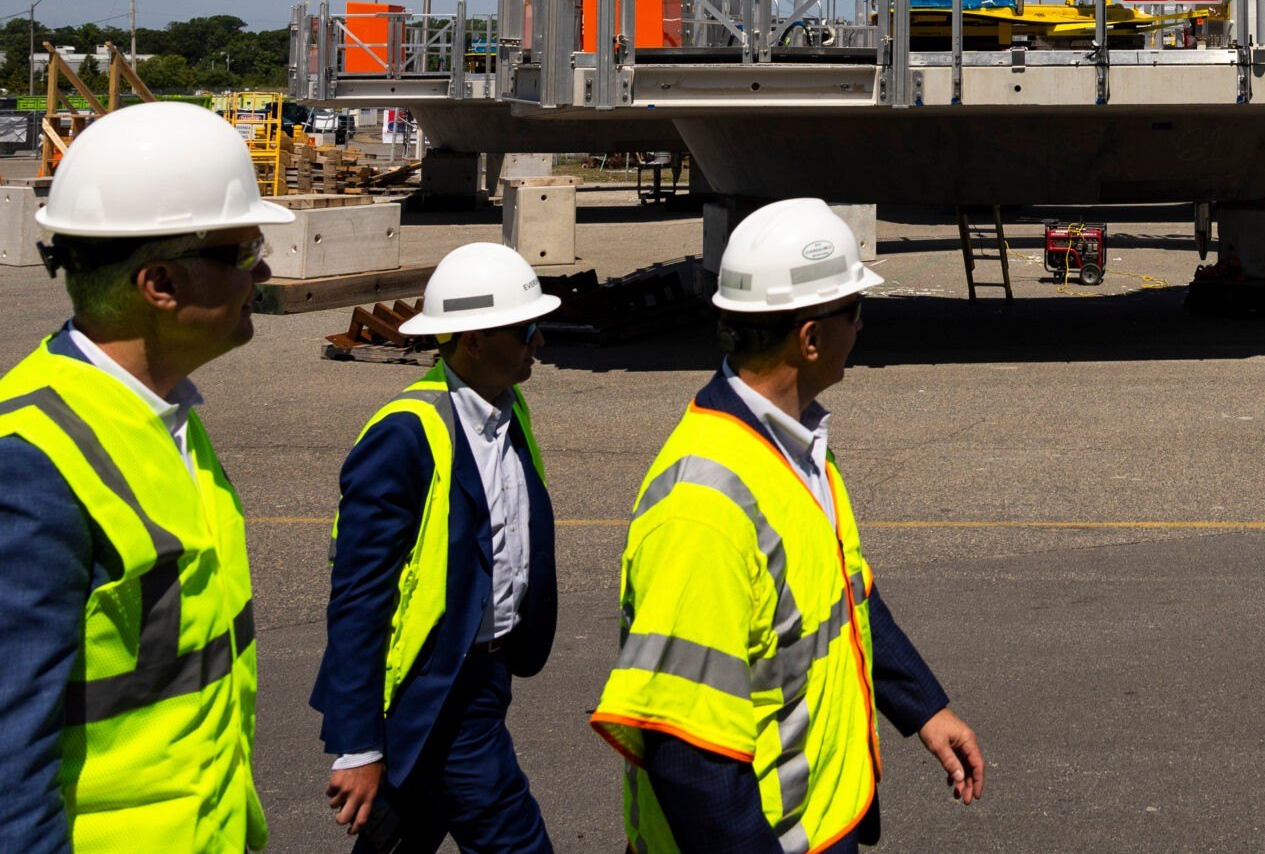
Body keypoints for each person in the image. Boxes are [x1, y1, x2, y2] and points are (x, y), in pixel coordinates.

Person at [591, 198, 986, 852]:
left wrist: (923, 706)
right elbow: (689, 756)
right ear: (809, 337)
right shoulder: (705, 506)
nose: (861, 326)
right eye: (854, 311)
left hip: (821, 818)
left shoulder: (794, 448)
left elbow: (844, 593)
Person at [0, 101, 293, 851]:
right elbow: (9, 766)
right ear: (158, 283)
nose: (261, 270)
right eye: (239, 251)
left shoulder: (166, 416)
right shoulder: (31, 461)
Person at [313, 243, 564, 851]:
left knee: (400, 835)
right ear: (473, 341)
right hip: (439, 686)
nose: (540, 342)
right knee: (516, 841)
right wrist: (358, 744)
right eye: (526, 329)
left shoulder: (506, 408)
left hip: (485, 670)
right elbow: (359, 596)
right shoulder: (405, 434)